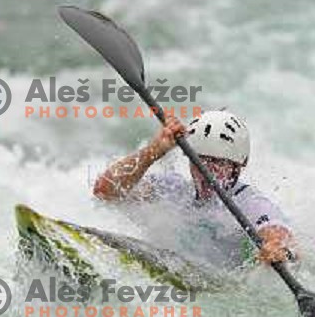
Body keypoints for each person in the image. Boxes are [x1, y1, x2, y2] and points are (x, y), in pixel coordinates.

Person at [93, 110, 297, 269]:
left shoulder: (249, 203)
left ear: (239, 165)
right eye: (200, 160)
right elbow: (106, 191)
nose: (206, 170)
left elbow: (280, 236)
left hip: (227, 290)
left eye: (218, 162)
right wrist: (152, 152)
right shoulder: (174, 189)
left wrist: (277, 248)